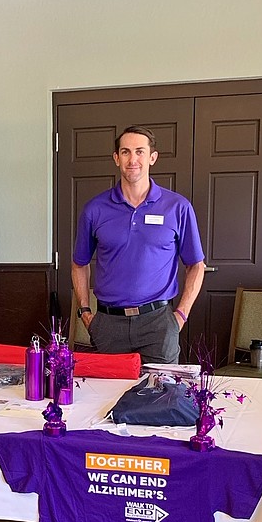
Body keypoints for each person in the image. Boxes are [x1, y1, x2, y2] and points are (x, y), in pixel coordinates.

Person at [71, 126, 205, 364]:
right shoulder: (95, 209)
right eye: (125, 152)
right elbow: (79, 264)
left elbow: (196, 264)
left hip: (158, 325)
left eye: (140, 152)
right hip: (108, 326)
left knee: (160, 398)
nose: (133, 159)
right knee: (107, 400)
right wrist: (85, 312)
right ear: (116, 158)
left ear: (152, 157)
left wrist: (180, 316)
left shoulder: (178, 207)